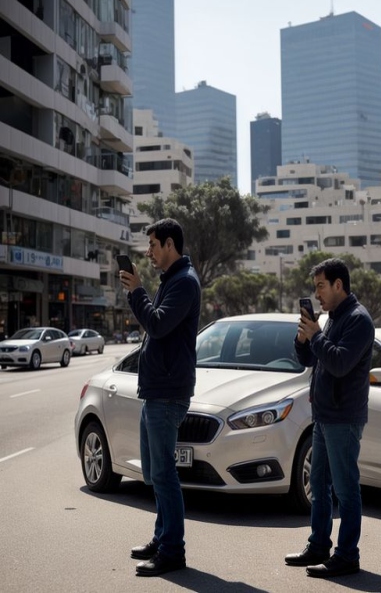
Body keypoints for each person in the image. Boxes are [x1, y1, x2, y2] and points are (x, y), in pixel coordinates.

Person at [119, 218, 201, 577]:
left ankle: (173, 551)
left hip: (167, 394)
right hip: (157, 390)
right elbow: (154, 325)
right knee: (155, 472)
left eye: (153, 245)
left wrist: (138, 290)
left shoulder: (184, 282)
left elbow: (156, 324)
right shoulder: (172, 280)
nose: (149, 252)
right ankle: (162, 536)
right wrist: (138, 292)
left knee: (165, 474)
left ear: (169, 245)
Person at [285, 258, 375, 579]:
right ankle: (319, 544)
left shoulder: (359, 320)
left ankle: (347, 555)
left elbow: (339, 363)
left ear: (339, 285)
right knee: (319, 485)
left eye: (321, 286)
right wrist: (303, 337)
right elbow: (310, 358)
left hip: (343, 418)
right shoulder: (332, 317)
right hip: (323, 415)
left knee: (345, 488)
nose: (317, 293)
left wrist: (317, 335)